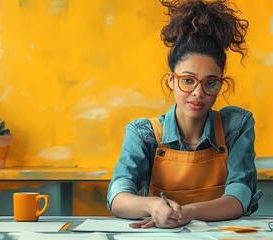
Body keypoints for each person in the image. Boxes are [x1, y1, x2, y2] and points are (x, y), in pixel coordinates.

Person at [107, 0, 262, 229]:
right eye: (188, 80)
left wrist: (189, 212)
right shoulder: (144, 133)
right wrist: (151, 206)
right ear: (171, 80)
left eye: (210, 83)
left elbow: (240, 196)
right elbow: (118, 195)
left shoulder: (236, 126)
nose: (198, 93)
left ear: (221, 84)